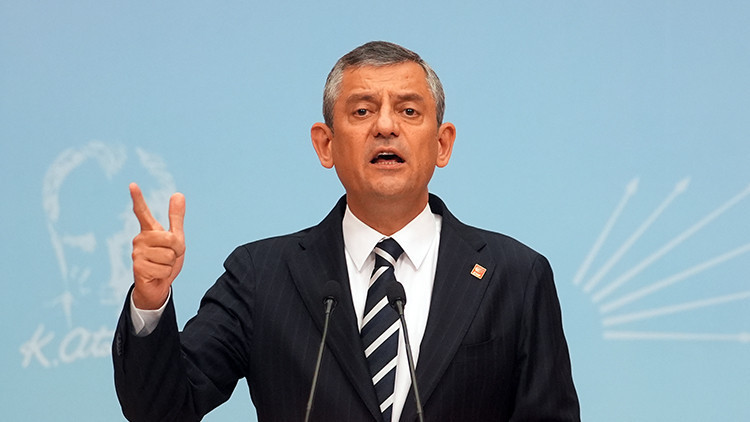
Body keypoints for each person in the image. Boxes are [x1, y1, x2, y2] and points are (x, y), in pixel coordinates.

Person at [112, 41, 580, 422]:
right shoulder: (261, 276)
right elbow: (161, 410)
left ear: (442, 144)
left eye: (409, 111)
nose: (385, 126)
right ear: (326, 144)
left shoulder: (515, 276)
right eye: (361, 111)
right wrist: (150, 301)